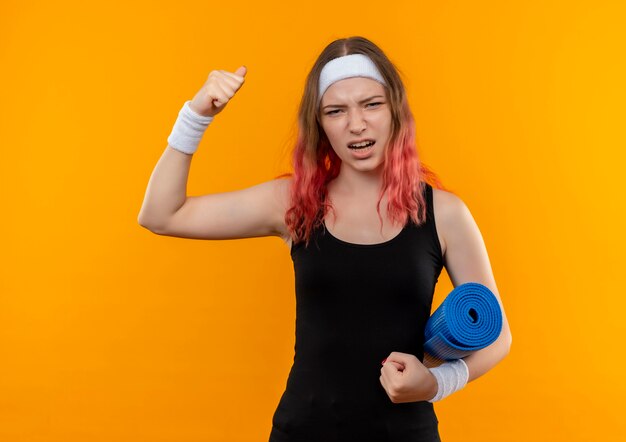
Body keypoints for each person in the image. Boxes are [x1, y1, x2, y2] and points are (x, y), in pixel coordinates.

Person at [138, 36, 512, 442]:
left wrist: (438, 383)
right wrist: (196, 115)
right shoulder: (294, 203)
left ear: (396, 111)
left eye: (371, 104)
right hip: (303, 431)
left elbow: (498, 336)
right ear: (320, 124)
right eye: (336, 111)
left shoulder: (445, 213)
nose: (356, 124)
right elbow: (161, 214)